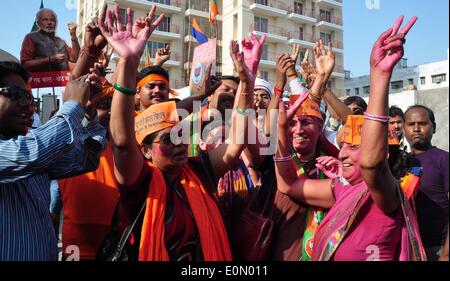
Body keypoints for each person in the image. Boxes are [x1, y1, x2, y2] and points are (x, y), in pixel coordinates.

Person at [98, 4, 259, 261]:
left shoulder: (197, 170)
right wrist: (128, 61)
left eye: (182, 134)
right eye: (168, 139)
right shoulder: (139, 181)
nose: (180, 143)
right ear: (146, 150)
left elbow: (238, 140)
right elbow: (121, 142)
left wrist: (247, 82)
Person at [274, 16, 425, 261]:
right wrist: (280, 130)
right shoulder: (342, 191)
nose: (341, 153)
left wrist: (379, 75)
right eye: (341, 146)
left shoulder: (385, 195)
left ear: (381, 152)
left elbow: (371, 164)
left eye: (353, 147)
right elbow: (287, 185)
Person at [0, 60, 106, 261]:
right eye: (16, 94)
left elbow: (83, 160)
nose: (27, 105)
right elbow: (33, 153)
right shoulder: (30, 150)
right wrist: (72, 105)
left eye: (29, 97)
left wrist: (88, 112)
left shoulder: (31, 145)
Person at [404, 104, 449, 260]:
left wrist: (447, 253)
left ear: (433, 127)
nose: (416, 129)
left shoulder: (444, 159)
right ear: (404, 128)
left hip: (437, 247)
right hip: (407, 246)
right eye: (411, 124)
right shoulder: (398, 162)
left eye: (422, 124)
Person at [20, 8, 80, 72]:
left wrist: (73, 35)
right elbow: (25, 64)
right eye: (45, 20)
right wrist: (49, 59)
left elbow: (74, 59)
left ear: (56, 23)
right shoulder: (31, 38)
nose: (49, 23)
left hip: (62, 80)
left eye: (52, 20)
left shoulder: (61, 41)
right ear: (38, 23)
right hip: (40, 80)